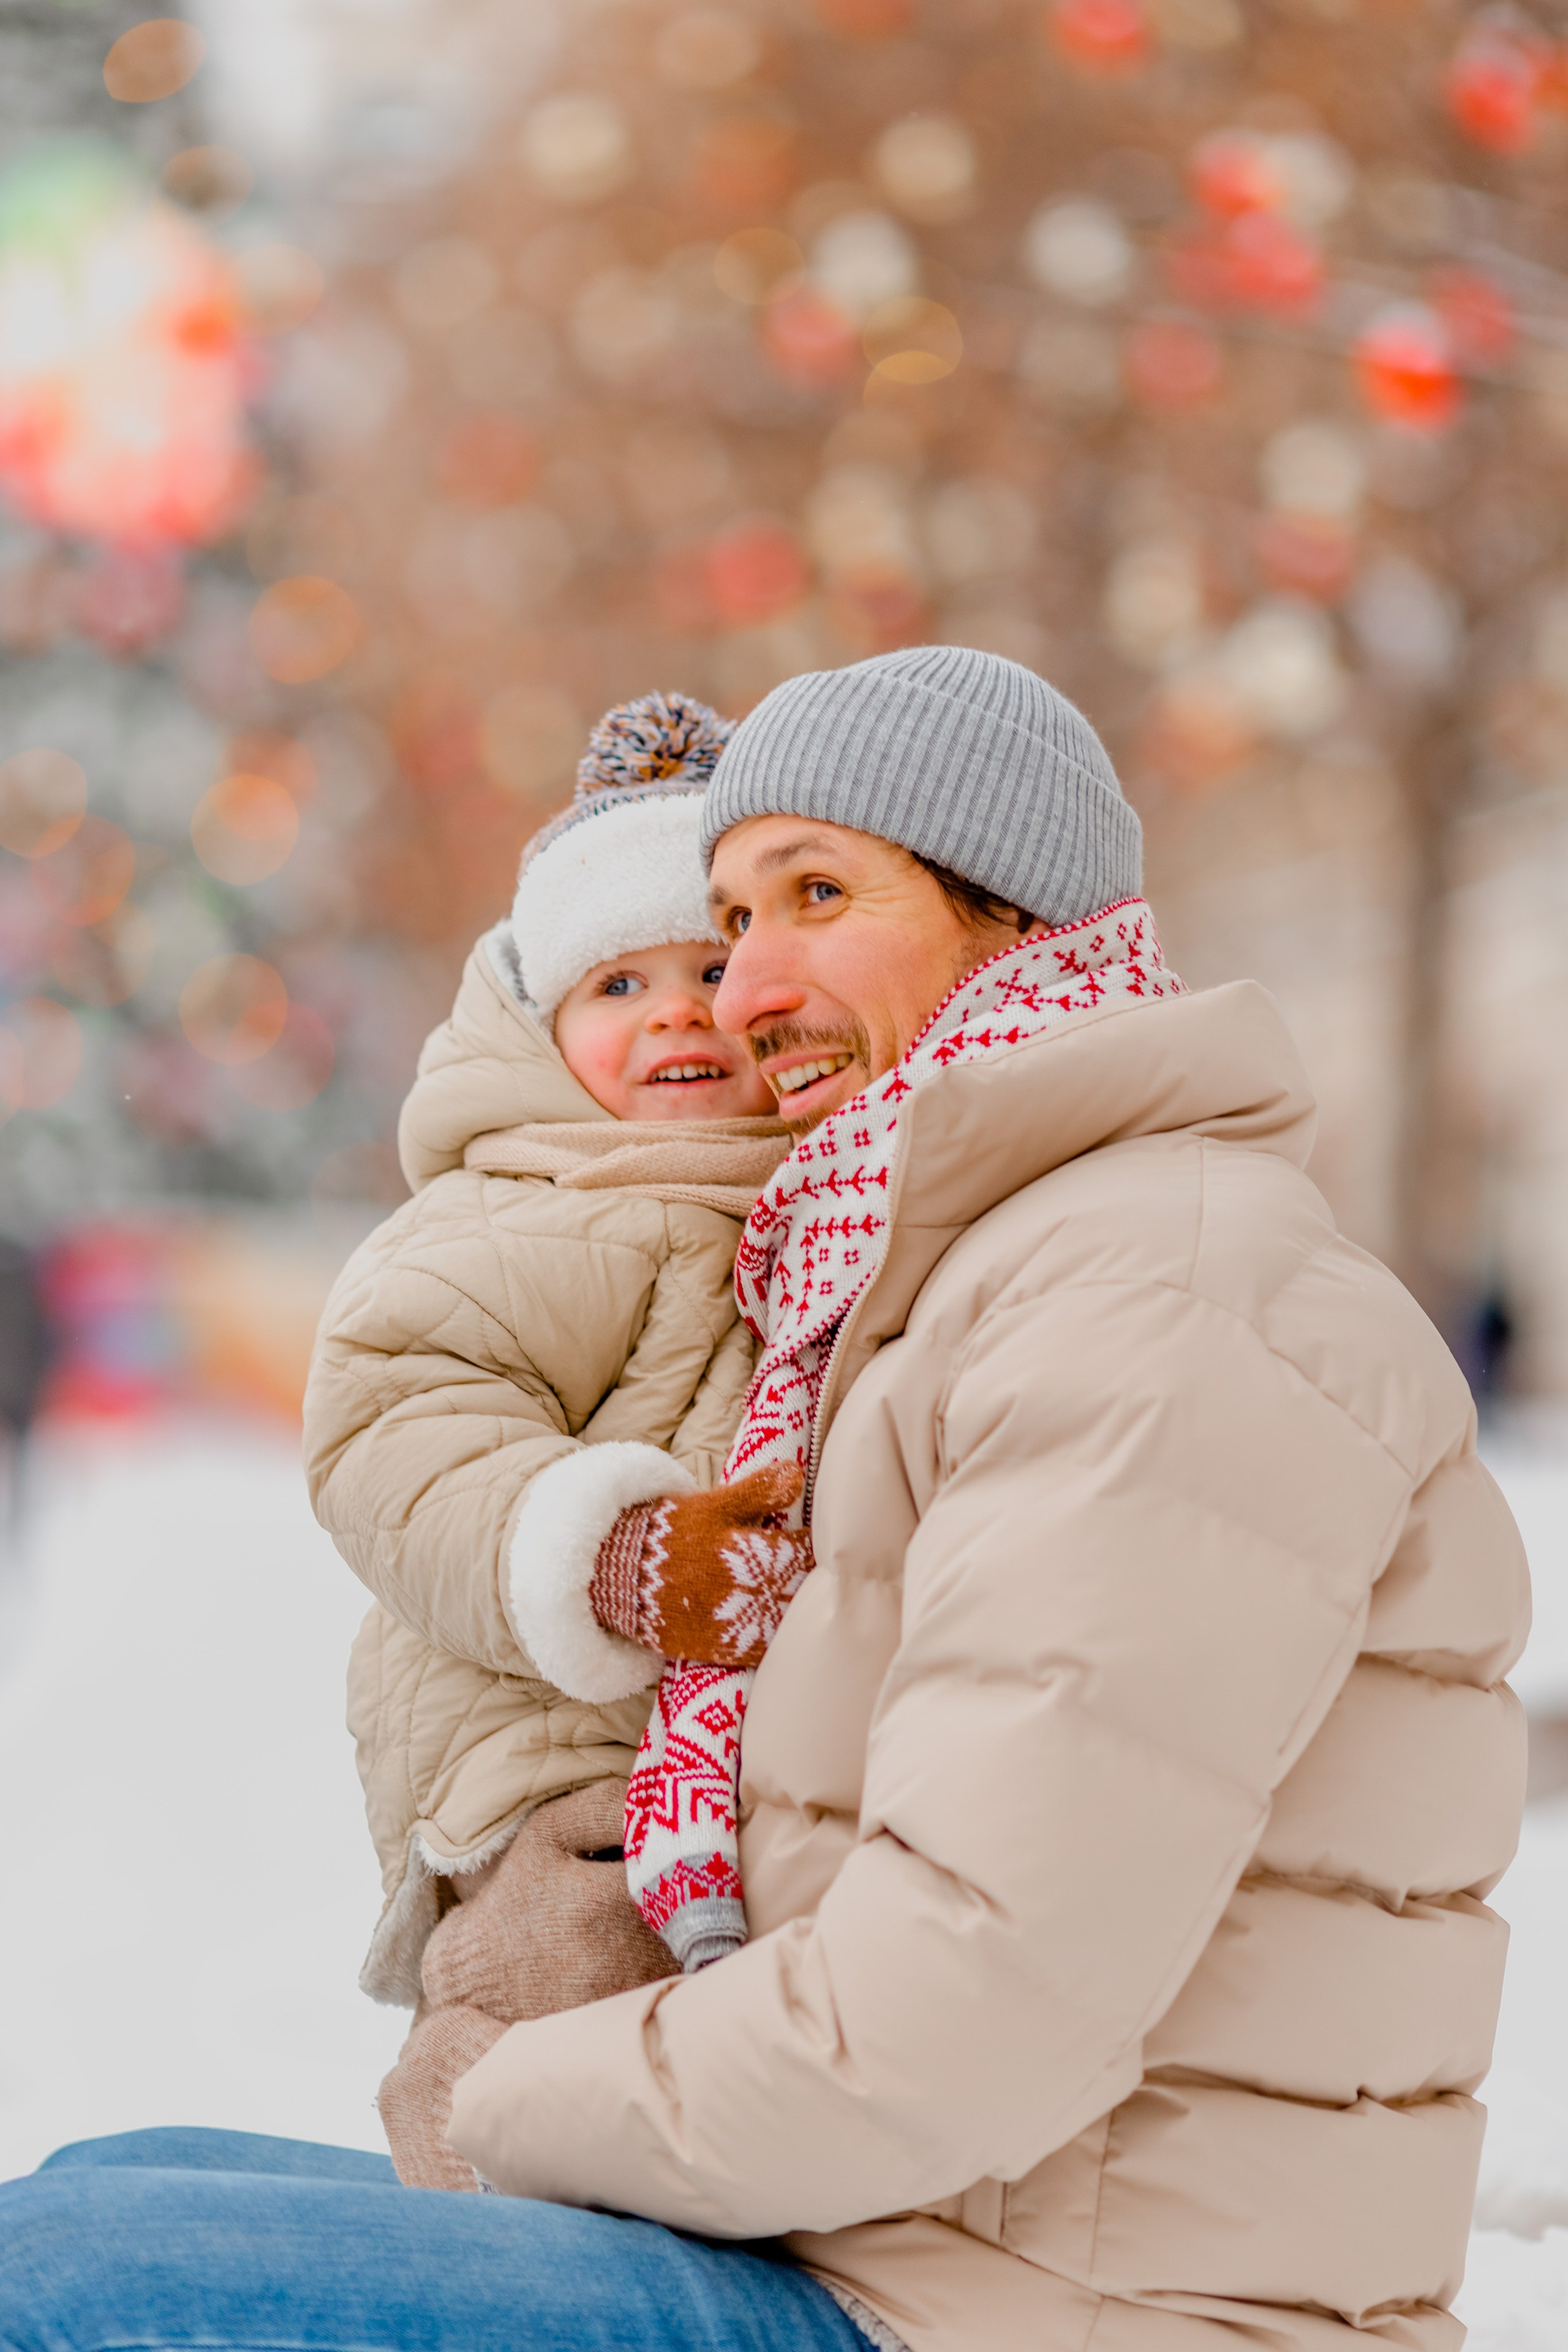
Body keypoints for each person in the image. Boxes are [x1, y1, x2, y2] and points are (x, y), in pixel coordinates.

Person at [0, 648, 1529, 2352]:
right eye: (733, 919)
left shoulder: (1157, 1301)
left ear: (1019, 914)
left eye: (816, 896)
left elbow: (954, 2018)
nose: (742, 992)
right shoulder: (927, 1279)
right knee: (97, 2180)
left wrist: (500, 2094)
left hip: (1032, 2307)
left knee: (53, 2279)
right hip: (891, 2233)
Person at [303, 692, 792, 2185]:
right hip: (550, 1751)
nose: (675, 1012)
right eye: (618, 982)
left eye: (713, 969)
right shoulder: (520, 1206)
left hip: (727, 1753)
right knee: (551, 1993)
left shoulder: (820, 1188)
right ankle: (463, 2222)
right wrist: (611, 1556)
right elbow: (398, 1429)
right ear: (541, 1024)